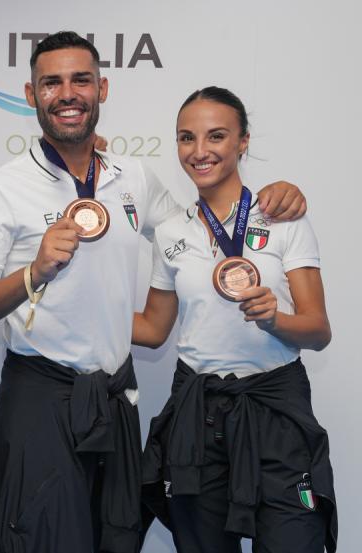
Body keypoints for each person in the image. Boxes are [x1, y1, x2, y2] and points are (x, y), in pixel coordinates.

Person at [0, 32, 306, 553]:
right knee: (34, 540)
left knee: (113, 539)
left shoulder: (133, 178)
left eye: (81, 80)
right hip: (40, 396)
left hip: (117, 396)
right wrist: (34, 272)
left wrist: (275, 195)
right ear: (32, 95)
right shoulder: (1, 188)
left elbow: (198, 228)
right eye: (51, 82)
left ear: (103, 88)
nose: (67, 93)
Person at [134, 86, 336, 553]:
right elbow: (153, 328)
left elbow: (319, 331)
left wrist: (275, 320)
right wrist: (73, 310)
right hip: (196, 412)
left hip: (274, 406)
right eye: (187, 138)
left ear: (243, 141)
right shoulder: (169, 232)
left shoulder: (283, 217)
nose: (199, 151)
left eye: (216, 136)